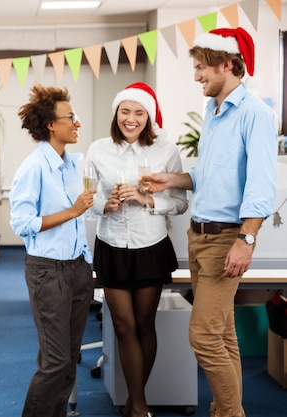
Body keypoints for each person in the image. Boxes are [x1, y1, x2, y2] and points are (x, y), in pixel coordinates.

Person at [149, 27, 277, 417]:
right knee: (222, 335)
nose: (196, 76)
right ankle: (229, 411)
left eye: (201, 67)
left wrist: (246, 240)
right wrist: (173, 180)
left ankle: (229, 414)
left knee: (202, 336)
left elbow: (260, 184)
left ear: (227, 64)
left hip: (226, 240)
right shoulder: (214, 111)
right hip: (200, 236)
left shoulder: (255, 113)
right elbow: (212, 175)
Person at [85, 82, 188, 417]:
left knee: (145, 324)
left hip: (150, 245)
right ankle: (139, 404)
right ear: (116, 114)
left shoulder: (166, 149)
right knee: (123, 326)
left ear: (149, 116)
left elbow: (180, 203)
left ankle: (134, 402)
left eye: (139, 112)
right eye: (125, 111)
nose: (131, 119)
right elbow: (86, 201)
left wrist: (146, 199)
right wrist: (106, 203)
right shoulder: (98, 149)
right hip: (112, 244)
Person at [9, 84, 95, 417]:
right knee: (56, 361)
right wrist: (72, 212)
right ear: (50, 124)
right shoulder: (33, 168)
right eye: (70, 117)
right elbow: (22, 223)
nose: (77, 123)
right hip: (48, 271)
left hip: (77, 269)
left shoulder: (74, 165)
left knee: (68, 359)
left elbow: (82, 211)